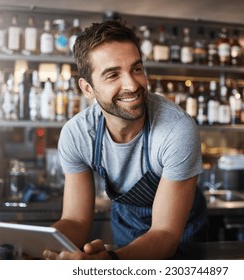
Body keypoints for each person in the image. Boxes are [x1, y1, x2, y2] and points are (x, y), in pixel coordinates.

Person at [43, 20, 208, 260]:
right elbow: (76, 221)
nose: (132, 84)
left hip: (181, 234)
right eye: (113, 75)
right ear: (87, 88)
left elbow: (165, 233)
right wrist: (33, 246)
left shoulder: (176, 129)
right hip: (126, 227)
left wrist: (111, 262)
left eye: (137, 69)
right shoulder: (78, 134)